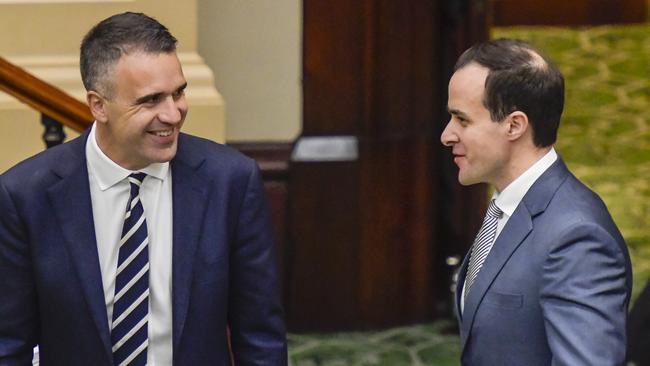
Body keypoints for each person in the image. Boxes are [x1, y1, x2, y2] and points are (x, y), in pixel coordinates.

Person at [0, 12, 287, 365]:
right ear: (98, 105)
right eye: (150, 100)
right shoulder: (25, 197)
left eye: (178, 92)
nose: (173, 114)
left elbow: (260, 337)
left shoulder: (231, 182)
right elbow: (8, 344)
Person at [441, 38, 632, 365]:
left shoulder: (578, 239)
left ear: (514, 125)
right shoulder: (508, 205)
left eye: (462, 120)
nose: (447, 135)